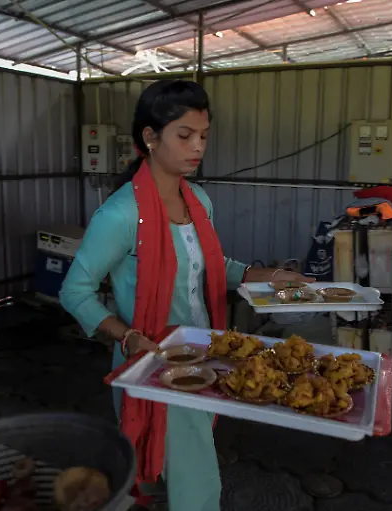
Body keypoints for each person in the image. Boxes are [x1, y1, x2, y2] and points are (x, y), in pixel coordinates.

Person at [60, 79, 313, 511]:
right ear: (150, 137)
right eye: (185, 136)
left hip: (204, 354)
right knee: (195, 480)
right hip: (155, 363)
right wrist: (127, 337)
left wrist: (267, 275)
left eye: (203, 137)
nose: (197, 147)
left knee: (176, 465)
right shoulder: (121, 215)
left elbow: (212, 269)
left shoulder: (198, 200)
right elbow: (75, 291)